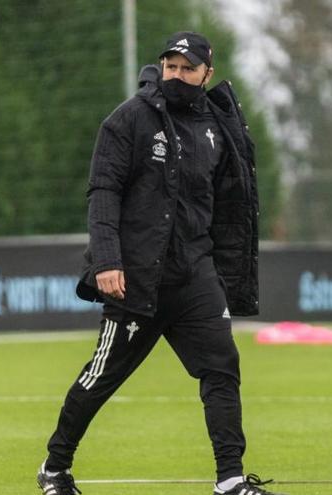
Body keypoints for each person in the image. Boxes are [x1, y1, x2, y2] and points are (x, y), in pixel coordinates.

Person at [36, 32, 284, 495]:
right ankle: (55, 468)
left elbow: (232, 208)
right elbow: (103, 192)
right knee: (100, 378)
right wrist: (107, 260)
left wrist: (227, 274)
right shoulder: (128, 119)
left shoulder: (219, 126)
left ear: (207, 73)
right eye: (170, 66)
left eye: (188, 68)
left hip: (195, 275)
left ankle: (230, 478)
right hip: (135, 279)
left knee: (222, 368)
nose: (177, 75)